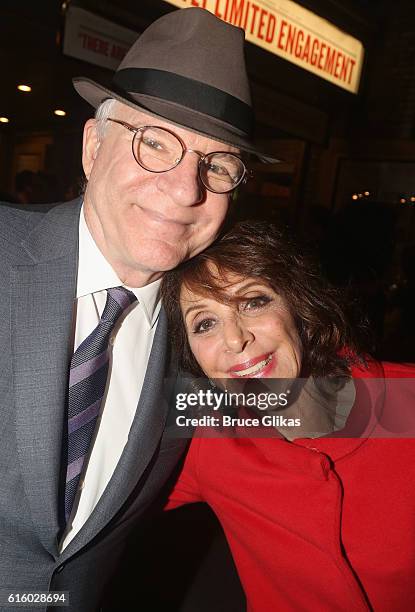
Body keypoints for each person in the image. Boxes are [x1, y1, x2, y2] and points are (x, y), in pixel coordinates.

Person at [0, 9, 276, 612]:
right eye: (156, 142)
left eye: (219, 163)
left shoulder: (209, 341)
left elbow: (346, 412)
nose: (186, 190)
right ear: (94, 146)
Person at [161, 221, 415, 611]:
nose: (235, 339)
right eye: (205, 323)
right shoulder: (208, 441)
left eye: (253, 301)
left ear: (297, 303)